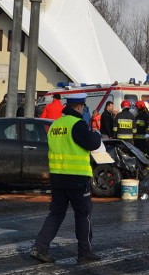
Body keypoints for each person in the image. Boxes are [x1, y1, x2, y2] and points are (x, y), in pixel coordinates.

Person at [31, 93, 102, 265]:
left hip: (57, 177)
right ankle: (84, 253)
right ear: (78, 107)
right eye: (83, 107)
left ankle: (40, 247)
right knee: (83, 214)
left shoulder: (56, 125)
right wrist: (97, 134)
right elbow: (92, 143)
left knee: (56, 213)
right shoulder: (77, 124)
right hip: (77, 178)